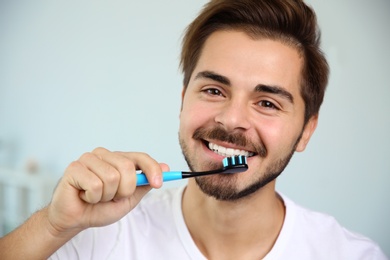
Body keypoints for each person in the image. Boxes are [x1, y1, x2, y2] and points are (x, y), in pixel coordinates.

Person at [0, 0, 387, 259]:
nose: (231, 119)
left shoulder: (351, 255)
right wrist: (53, 226)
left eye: (267, 102)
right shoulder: (99, 233)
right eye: (214, 90)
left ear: (306, 131)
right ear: (184, 98)